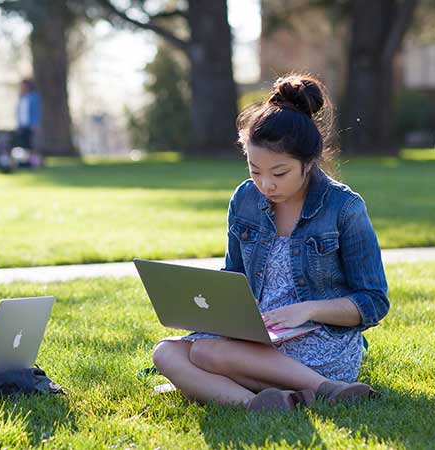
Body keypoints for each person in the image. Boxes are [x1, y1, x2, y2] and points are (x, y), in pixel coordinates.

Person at [151, 74, 389, 412]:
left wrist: (305, 310)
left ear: (308, 163)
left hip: (318, 339)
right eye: (254, 170)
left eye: (279, 173)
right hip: (255, 337)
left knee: (206, 354)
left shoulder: (344, 208)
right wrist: (216, 312)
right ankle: (262, 403)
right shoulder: (245, 199)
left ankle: (326, 387)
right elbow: (233, 276)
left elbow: (373, 301)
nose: (265, 184)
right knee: (165, 351)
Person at [14, 79, 40, 151]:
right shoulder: (21, 97)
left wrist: (35, 124)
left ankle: (31, 160)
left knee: (30, 144)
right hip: (22, 125)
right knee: (22, 144)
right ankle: (23, 160)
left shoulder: (34, 96)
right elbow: (19, 111)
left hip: (30, 125)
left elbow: (36, 111)